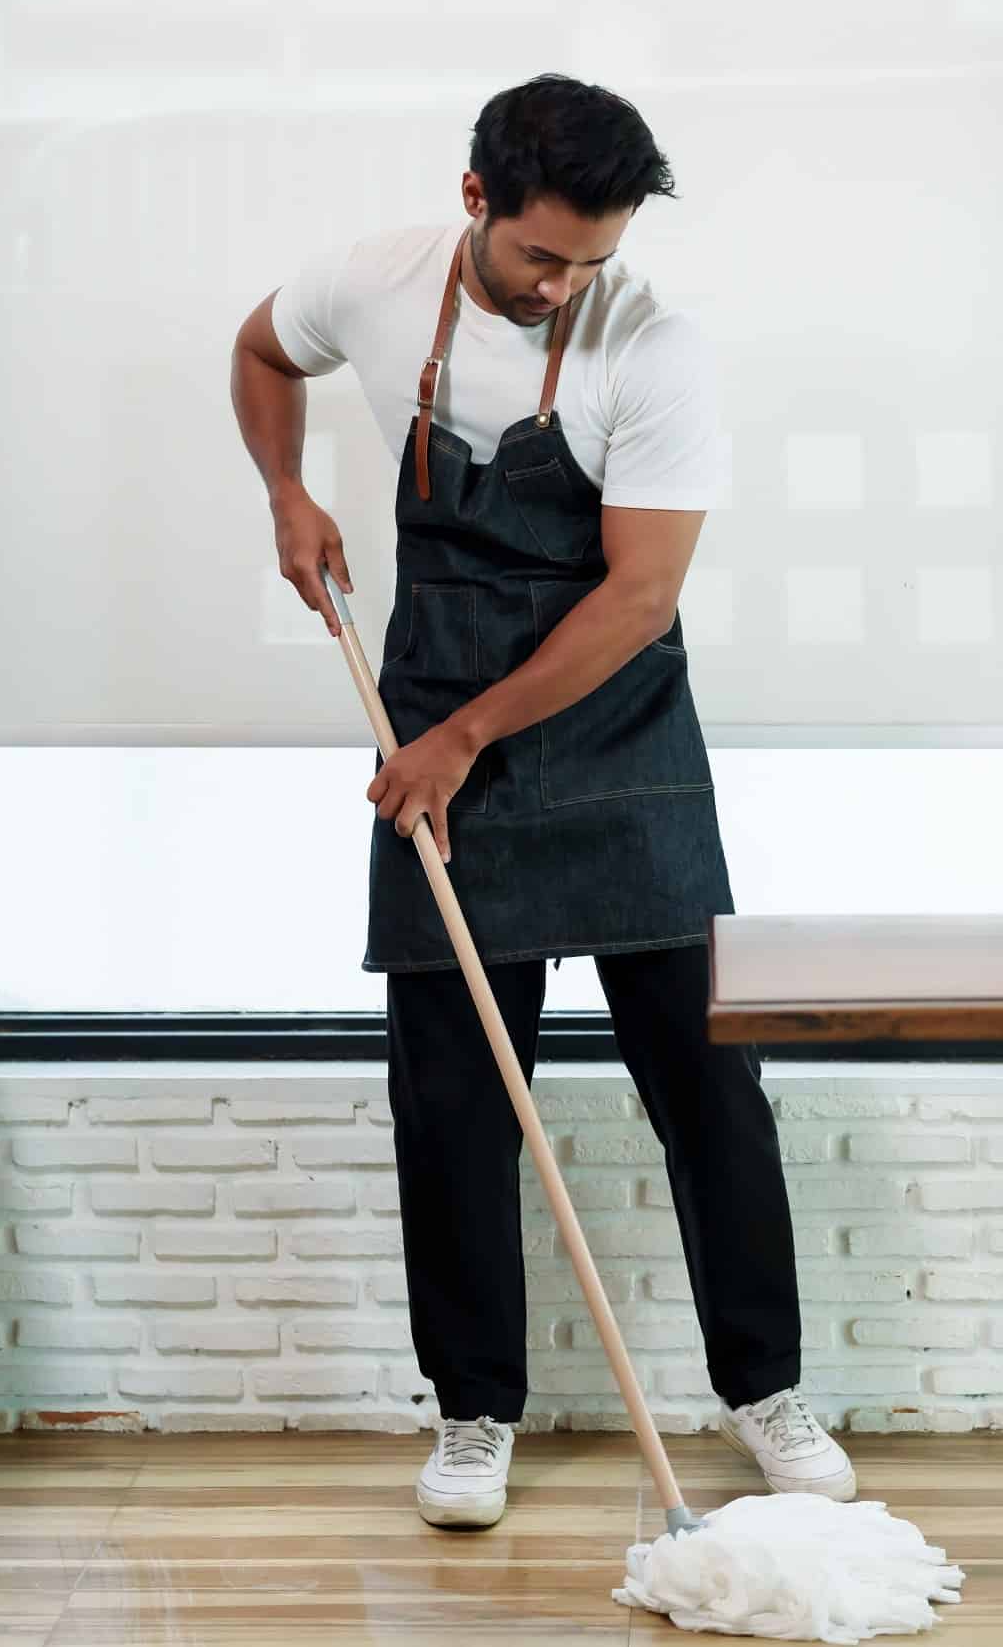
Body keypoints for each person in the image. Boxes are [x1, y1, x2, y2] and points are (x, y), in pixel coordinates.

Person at [228, 74, 852, 1527]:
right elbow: (263, 348)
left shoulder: (656, 350)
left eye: (595, 258)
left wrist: (466, 740)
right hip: (436, 698)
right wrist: (286, 489)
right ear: (477, 202)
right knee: (449, 1095)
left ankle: (765, 1386)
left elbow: (637, 598)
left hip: (615, 729)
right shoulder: (373, 287)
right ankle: (473, 1412)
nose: (567, 282)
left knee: (708, 1083)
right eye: (542, 255)